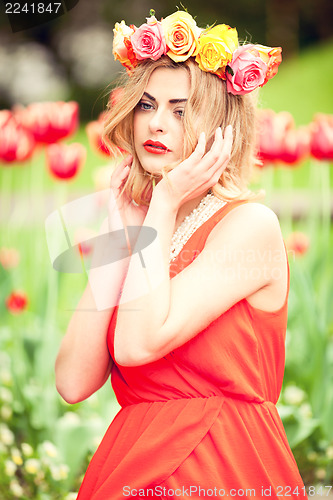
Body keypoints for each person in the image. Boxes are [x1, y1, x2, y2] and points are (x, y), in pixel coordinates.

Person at [55, 9, 308, 500]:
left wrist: (165, 202)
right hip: (131, 460)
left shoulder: (249, 226)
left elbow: (137, 345)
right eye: (147, 104)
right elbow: (71, 380)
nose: (156, 123)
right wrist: (123, 228)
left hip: (219, 463)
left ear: (220, 125)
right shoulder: (140, 224)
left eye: (180, 109)